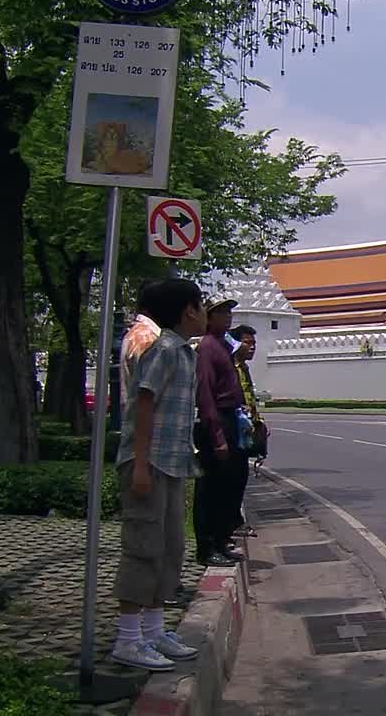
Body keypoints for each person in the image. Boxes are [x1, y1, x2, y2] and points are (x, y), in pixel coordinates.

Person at [110, 278, 205, 672]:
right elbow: (144, 406)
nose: (204, 313)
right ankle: (128, 639)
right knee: (143, 548)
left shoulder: (185, 353)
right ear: (188, 310)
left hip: (172, 461)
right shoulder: (163, 349)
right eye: (201, 306)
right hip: (147, 462)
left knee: (168, 548)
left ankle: (153, 630)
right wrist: (141, 465)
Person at [193, 297, 246, 567]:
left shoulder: (224, 346)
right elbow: (205, 397)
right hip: (217, 420)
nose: (228, 317)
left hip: (230, 418)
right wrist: (217, 437)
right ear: (208, 317)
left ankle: (221, 540)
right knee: (210, 489)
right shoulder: (207, 348)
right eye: (221, 313)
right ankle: (207, 547)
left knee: (227, 486)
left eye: (229, 312)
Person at [229, 324, 267, 538]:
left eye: (254, 343)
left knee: (240, 477)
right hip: (234, 432)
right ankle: (231, 524)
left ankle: (234, 522)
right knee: (232, 479)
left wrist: (258, 421)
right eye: (247, 342)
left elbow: (248, 399)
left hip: (245, 432)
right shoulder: (230, 368)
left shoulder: (243, 368)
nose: (252, 347)